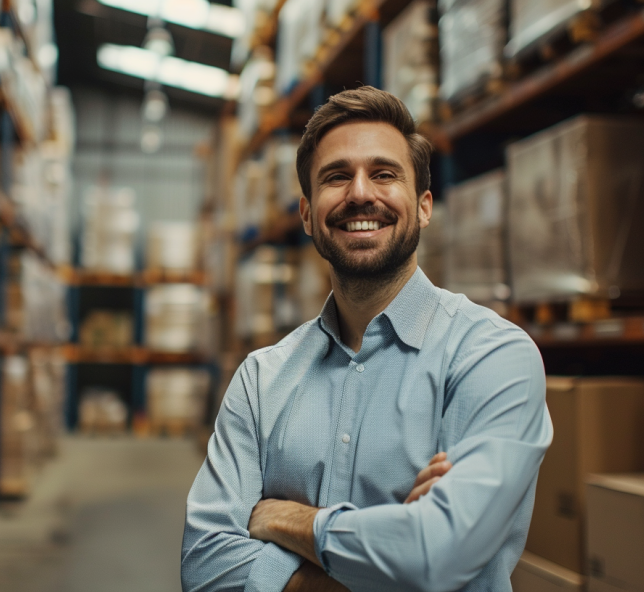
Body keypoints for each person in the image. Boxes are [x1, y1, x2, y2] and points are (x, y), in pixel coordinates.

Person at [181, 86, 552, 592]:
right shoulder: (261, 379)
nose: (360, 193)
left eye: (384, 173)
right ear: (309, 215)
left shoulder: (492, 356)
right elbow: (204, 566)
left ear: (423, 206)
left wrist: (288, 521)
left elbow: (438, 551)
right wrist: (389, 548)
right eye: (336, 177)